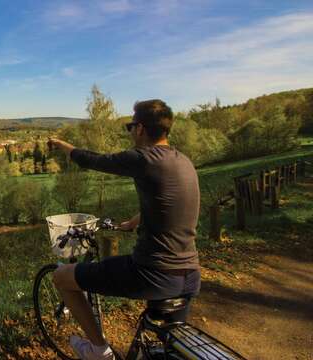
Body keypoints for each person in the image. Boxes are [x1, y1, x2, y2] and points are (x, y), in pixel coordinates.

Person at [48, 99, 201, 360]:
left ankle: (98, 350)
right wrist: (135, 221)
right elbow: (171, 201)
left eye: (130, 126)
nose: (130, 131)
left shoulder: (144, 158)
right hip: (189, 276)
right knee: (170, 350)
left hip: (153, 272)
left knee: (62, 276)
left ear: (140, 128)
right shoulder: (182, 160)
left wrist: (63, 146)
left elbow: (94, 160)